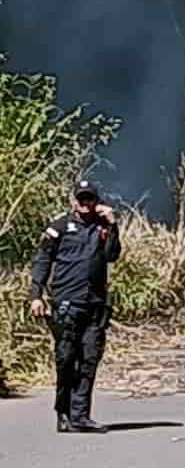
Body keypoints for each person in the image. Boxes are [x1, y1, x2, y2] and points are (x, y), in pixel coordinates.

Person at [29, 183, 122, 434]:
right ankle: (63, 413)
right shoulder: (59, 228)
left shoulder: (103, 227)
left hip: (95, 304)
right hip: (66, 303)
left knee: (89, 359)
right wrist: (36, 295)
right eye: (81, 198)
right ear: (73, 201)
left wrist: (113, 225)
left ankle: (80, 415)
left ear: (96, 200)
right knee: (66, 359)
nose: (85, 203)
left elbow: (113, 255)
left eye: (89, 198)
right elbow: (42, 261)